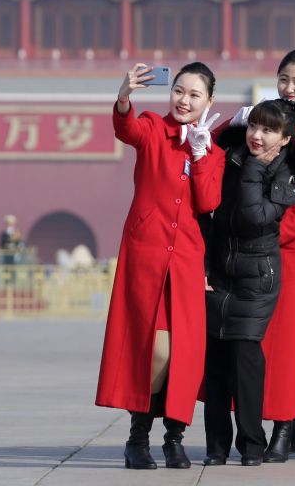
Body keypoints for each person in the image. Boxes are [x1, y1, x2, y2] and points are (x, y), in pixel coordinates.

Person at [96, 62, 225, 471]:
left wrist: (202, 154)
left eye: (194, 95)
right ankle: (138, 437)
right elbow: (125, 129)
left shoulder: (213, 151)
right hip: (147, 256)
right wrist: (122, 98)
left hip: (186, 261)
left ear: (209, 101)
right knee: (155, 351)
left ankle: (174, 438)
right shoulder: (153, 128)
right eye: (179, 92)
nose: (184, 101)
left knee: (184, 353)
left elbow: (207, 203)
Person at [222, 49, 295, 464]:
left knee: (284, 346)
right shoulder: (259, 123)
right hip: (243, 254)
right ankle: (249, 426)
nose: (289, 88)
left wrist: (272, 234)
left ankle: (285, 424)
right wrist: (233, 120)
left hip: (285, 252)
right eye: (283, 79)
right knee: (249, 344)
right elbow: (218, 153)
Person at [202, 99, 295, 466]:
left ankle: (252, 444)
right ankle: (216, 447)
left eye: (268, 131)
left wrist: (251, 170)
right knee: (215, 358)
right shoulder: (232, 151)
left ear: (284, 139)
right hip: (220, 268)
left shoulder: (289, 170)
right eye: (254, 127)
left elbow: (256, 217)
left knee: (245, 357)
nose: (257, 136)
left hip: (257, 274)